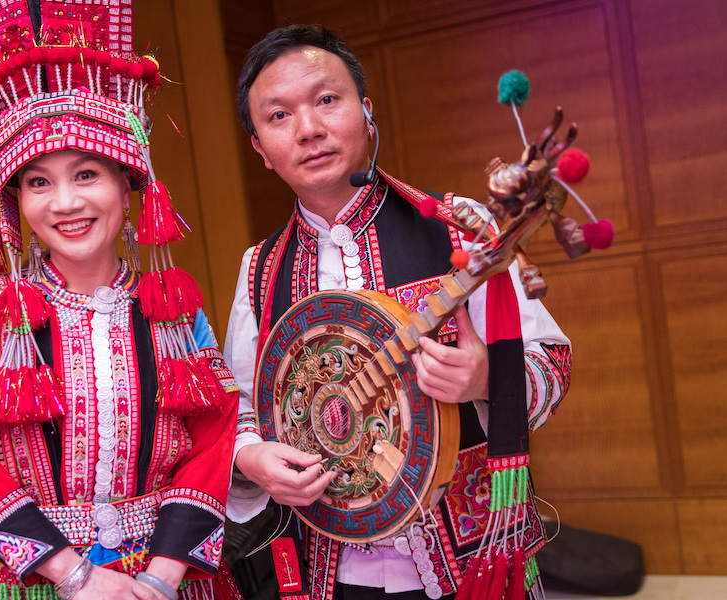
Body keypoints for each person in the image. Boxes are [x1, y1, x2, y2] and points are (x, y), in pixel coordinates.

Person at [224, 25, 572, 599]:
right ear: (260, 148)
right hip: (329, 571)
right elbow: (241, 409)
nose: (308, 129)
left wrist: (488, 379)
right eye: (279, 116)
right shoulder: (260, 269)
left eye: (326, 100)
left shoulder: (460, 229)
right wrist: (251, 456)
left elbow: (551, 362)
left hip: (473, 558)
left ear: (366, 112)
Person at [0, 2, 240, 599]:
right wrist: (73, 574)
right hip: (37, 578)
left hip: (162, 574)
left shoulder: (171, 307)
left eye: (86, 174)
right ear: (16, 201)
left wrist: (164, 574)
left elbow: (214, 431)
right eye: (38, 181)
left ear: (127, 184)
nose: (64, 203)